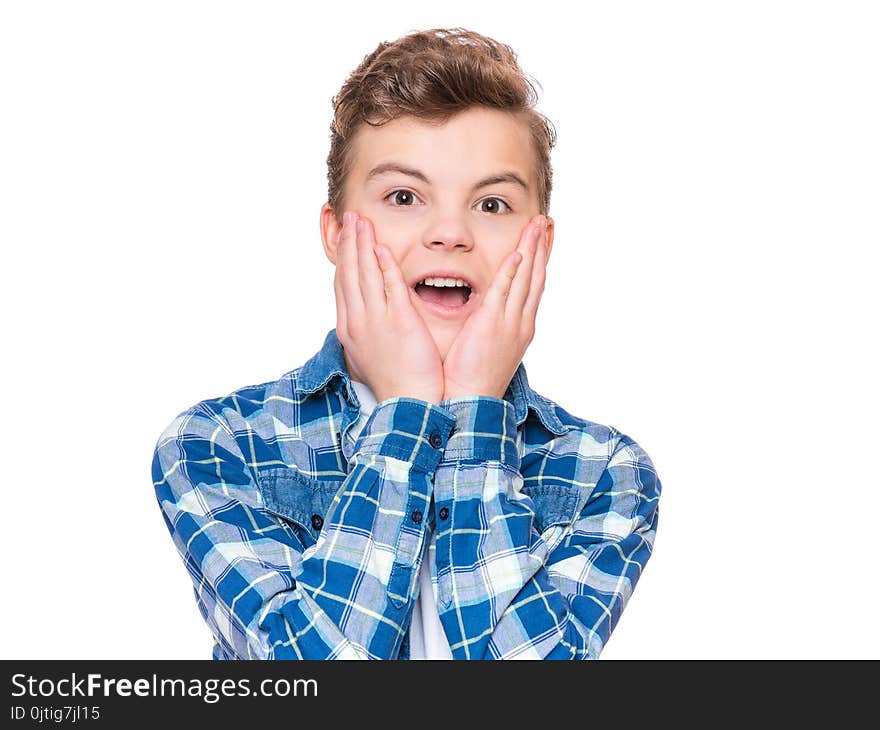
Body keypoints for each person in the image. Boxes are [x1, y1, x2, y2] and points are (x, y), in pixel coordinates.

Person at [151, 26, 662, 660]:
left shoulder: (603, 472)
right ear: (335, 233)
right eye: (403, 196)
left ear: (541, 244)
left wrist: (474, 407)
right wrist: (408, 414)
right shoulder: (218, 444)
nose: (449, 232)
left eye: (493, 205)